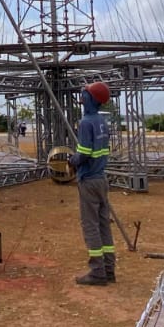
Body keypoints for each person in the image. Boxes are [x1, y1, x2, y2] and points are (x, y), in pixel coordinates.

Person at [72, 81, 115, 286]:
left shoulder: (86, 123)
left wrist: (72, 161)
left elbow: (84, 153)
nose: (82, 98)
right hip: (101, 178)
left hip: (88, 180)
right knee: (103, 224)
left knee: (90, 226)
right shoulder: (102, 122)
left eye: (85, 94)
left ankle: (97, 272)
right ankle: (109, 269)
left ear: (90, 99)